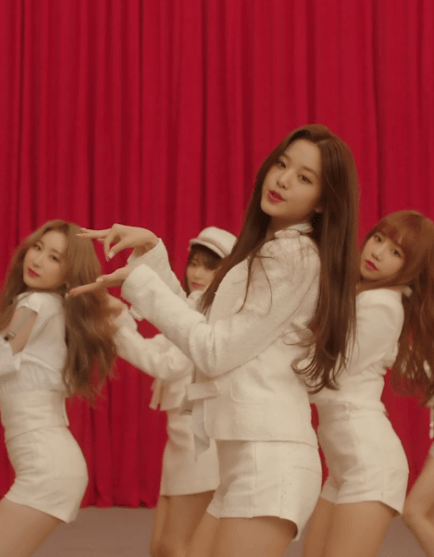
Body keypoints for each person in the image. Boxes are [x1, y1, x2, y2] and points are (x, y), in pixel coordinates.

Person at [71, 124, 360, 557]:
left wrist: (141, 283)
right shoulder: (268, 250)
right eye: (282, 164)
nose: (283, 179)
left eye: (304, 177)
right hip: (246, 458)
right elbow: (203, 325)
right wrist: (152, 253)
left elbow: (213, 351)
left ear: (322, 201)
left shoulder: (293, 255)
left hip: (268, 461)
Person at [303, 210, 434, 557]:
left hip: (369, 465)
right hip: (344, 464)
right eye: (378, 238)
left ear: (411, 267)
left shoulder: (382, 305)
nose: (377, 252)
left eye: (396, 252)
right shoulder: (361, 295)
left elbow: (325, 375)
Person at [112, 227, 236, 557]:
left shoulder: (211, 314)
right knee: (163, 547)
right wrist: (118, 318)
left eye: (210, 266)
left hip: (200, 442)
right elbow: (159, 346)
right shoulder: (193, 306)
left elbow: (167, 364)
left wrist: (117, 327)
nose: (197, 273)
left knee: (176, 546)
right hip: (182, 439)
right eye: (194, 263)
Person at [0, 219, 117, 557]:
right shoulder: (46, 305)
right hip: (51, 466)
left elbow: (2, 355)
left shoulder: (36, 304)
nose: (37, 260)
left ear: (69, 274)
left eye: (54, 258)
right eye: (37, 248)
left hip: (47, 471)